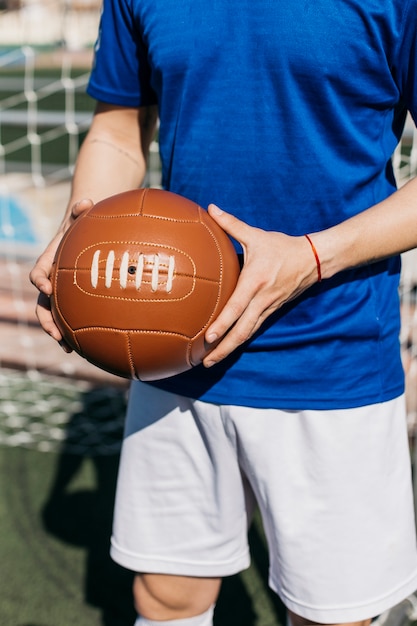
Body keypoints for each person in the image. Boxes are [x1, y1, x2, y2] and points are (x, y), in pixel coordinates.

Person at [30, 1, 417, 625]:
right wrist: (84, 225)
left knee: (333, 617)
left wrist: (312, 258)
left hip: (330, 354)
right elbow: (118, 126)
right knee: (165, 595)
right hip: (170, 344)